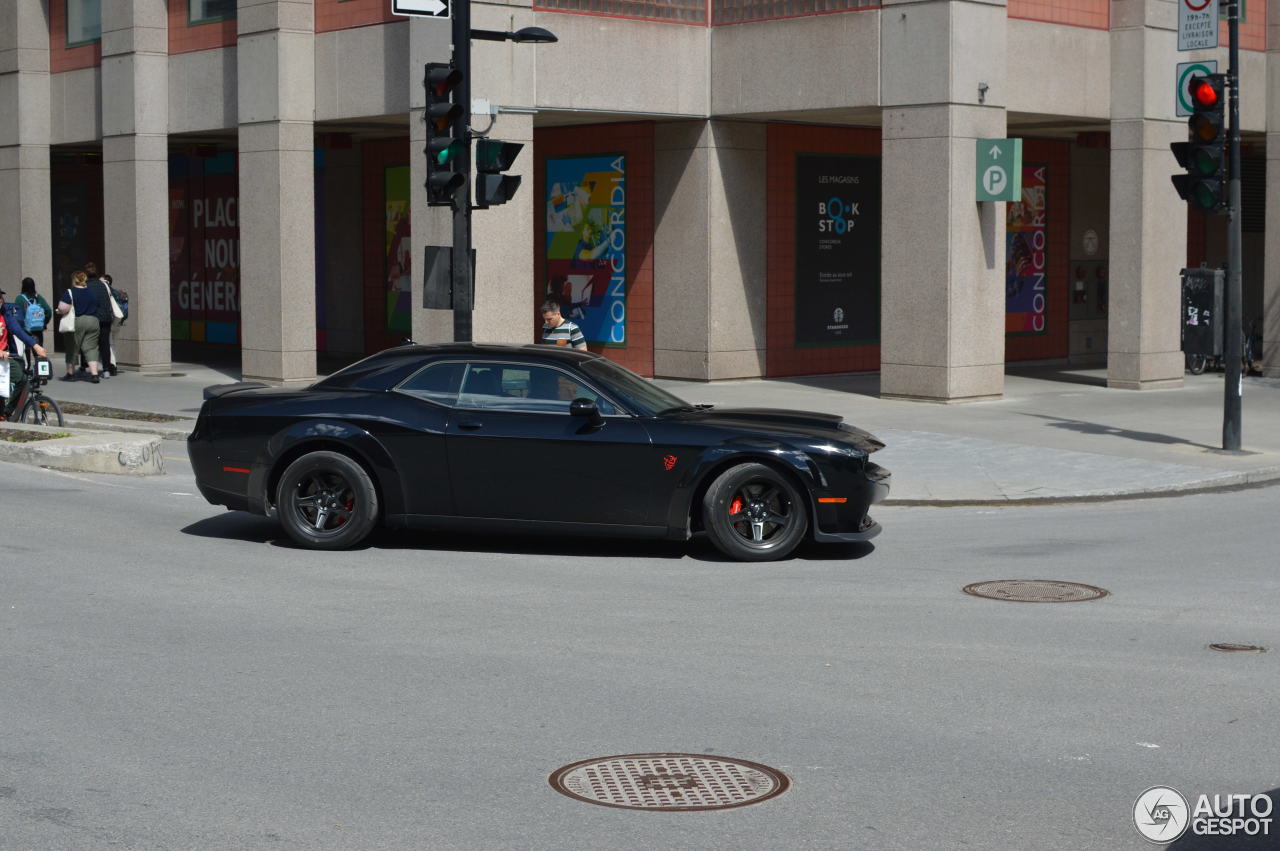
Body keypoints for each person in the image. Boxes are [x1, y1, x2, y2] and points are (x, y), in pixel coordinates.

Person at [0, 287, 50, 420]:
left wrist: (35, 346)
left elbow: (17, 330)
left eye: (0, 297)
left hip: (6, 356)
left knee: (22, 379)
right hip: (1, 355)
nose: (0, 300)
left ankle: (6, 412)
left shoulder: (5, 312)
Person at [57, 270, 101, 383]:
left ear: (74, 280)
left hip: (77, 321)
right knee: (91, 348)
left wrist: (60, 310)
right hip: (93, 321)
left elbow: (62, 308)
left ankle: (70, 373)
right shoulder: (92, 292)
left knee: (72, 347)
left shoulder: (70, 292)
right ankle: (94, 374)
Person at [87, 269, 119, 377]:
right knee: (105, 343)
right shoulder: (104, 285)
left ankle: (90, 368)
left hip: (93, 318)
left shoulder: (87, 286)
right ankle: (106, 369)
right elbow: (116, 294)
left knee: (91, 344)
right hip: (106, 318)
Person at [14, 277, 52, 352]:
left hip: (24, 330)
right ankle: (38, 363)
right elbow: (48, 311)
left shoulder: (19, 299)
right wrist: (43, 323)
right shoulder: (38, 298)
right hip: (37, 329)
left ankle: (27, 364)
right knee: (38, 352)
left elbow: (16, 315)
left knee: (25, 351)